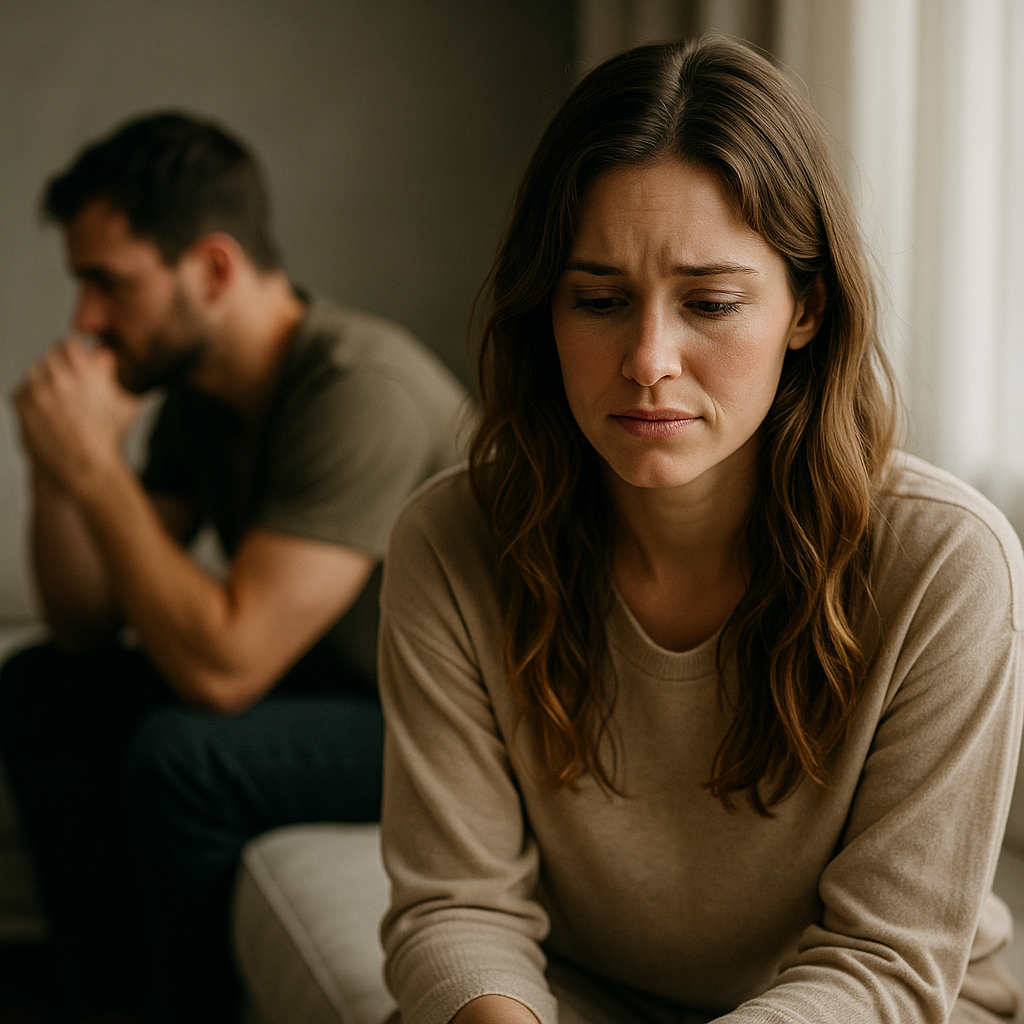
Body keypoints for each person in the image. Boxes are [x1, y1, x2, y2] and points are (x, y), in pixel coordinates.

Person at [376, 37, 1024, 1024]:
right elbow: (457, 908)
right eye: (598, 299)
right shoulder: (451, 537)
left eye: (710, 302)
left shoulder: (947, 564)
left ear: (805, 306)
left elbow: (883, 966)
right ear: (543, 309)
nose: (647, 360)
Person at [0, 112, 468, 1022]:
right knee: (43, 688)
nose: (85, 320)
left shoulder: (357, 390)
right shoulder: (200, 401)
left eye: (108, 283)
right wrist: (61, 476)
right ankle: (99, 1001)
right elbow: (85, 627)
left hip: (454, 726)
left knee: (185, 758)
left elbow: (224, 668)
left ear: (213, 268)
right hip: (331, 682)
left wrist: (99, 470)